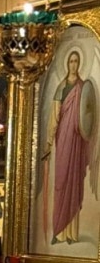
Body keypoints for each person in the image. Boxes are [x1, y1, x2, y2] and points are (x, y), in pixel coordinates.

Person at [42, 49, 98, 244]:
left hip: (77, 141)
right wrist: (48, 141)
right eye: (71, 61)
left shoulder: (83, 87)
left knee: (74, 181)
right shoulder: (61, 88)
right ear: (67, 64)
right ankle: (59, 232)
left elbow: (88, 115)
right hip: (63, 140)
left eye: (76, 61)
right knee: (61, 180)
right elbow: (54, 116)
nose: (73, 64)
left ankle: (71, 234)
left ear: (79, 64)